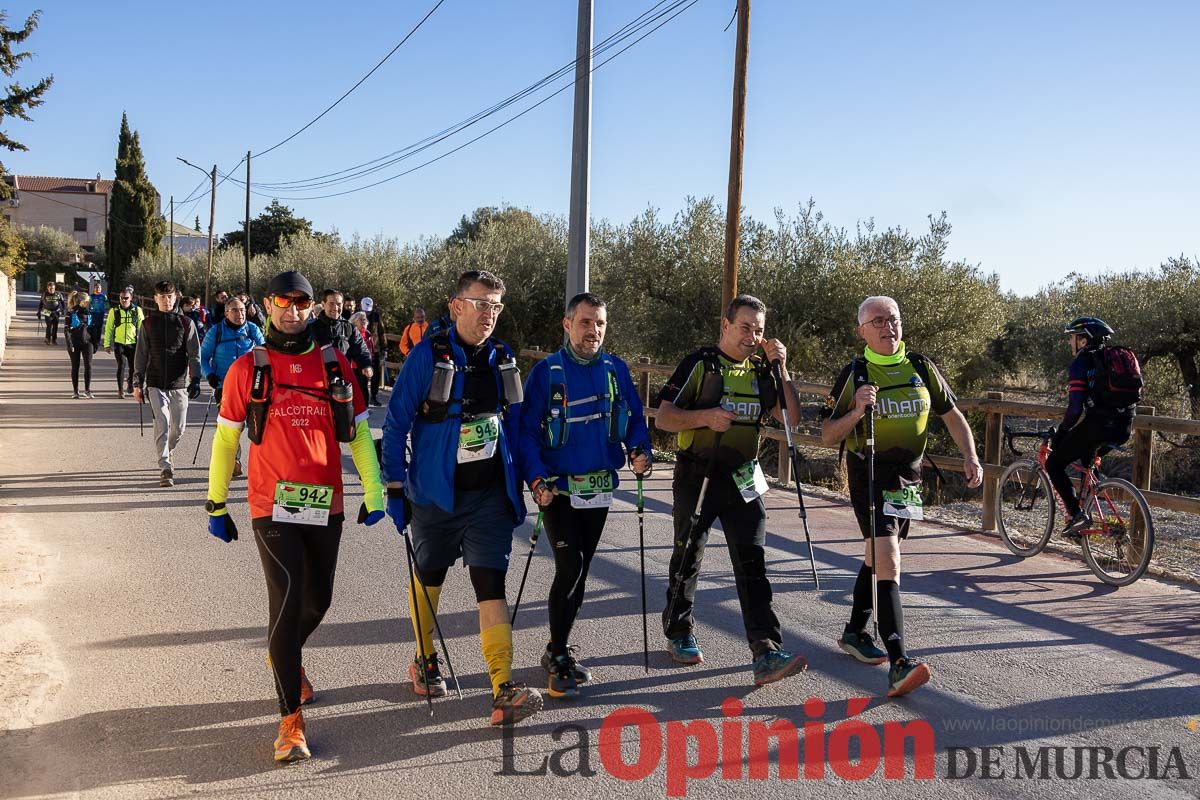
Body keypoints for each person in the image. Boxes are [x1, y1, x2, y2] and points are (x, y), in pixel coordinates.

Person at [205, 269, 386, 764]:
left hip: (325, 502)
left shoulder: (335, 366)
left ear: (312, 308)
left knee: (319, 600)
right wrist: (215, 502)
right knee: (287, 601)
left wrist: (375, 491)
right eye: (283, 302)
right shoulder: (248, 368)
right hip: (271, 505)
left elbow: (361, 435)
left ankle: (284, 655)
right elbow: (226, 441)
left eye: (302, 303)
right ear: (268, 305)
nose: (293, 311)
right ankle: (290, 722)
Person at [382, 269, 541, 725]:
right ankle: (425, 657)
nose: (489, 314)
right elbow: (395, 426)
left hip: (489, 496)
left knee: (491, 584)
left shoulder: (503, 358)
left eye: (496, 305)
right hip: (435, 495)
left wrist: (533, 478)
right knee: (429, 578)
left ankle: (502, 687)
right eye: (480, 303)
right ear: (456, 306)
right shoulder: (427, 357)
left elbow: (518, 427)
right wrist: (395, 488)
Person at [821, 295, 983, 698]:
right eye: (877, 321)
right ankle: (898, 662)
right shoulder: (856, 373)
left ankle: (855, 631)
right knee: (889, 560)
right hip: (869, 470)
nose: (887, 326)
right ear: (861, 330)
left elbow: (951, 415)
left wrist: (971, 455)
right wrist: (857, 411)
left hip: (907, 478)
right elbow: (826, 435)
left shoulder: (921, 366)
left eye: (892, 319)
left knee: (875, 556)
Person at [655, 294, 808, 687]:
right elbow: (665, 418)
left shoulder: (762, 370)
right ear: (725, 325)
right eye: (745, 328)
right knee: (688, 554)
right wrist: (705, 416)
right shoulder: (700, 363)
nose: (752, 337)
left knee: (752, 563)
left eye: (759, 330)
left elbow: (791, 418)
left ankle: (766, 650)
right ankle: (678, 631)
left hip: (744, 478)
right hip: (698, 474)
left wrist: (782, 366)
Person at [517, 292, 652, 699]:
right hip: (557, 490)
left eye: (600, 324)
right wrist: (537, 481)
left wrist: (640, 450)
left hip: (597, 489)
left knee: (581, 569)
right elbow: (526, 434)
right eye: (585, 322)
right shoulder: (547, 372)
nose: (593, 331)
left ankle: (558, 647)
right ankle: (557, 656)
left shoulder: (616, 369)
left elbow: (633, 419)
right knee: (570, 566)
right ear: (567, 324)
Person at [1048, 317, 1138, 539]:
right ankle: (1087, 515)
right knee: (1087, 462)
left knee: (1054, 463)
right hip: (1124, 427)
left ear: (1083, 340)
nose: (1069, 342)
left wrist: (1061, 433)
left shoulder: (1082, 362)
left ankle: (1077, 515)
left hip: (1099, 426)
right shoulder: (1112, 360)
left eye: (1071, 337)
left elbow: (1075, 408)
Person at [133, 281, 201, 488]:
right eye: (162, 297)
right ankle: (165, 468)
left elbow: (194, 354)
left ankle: (168, 450)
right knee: (161, 422)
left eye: (169, 297)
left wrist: (196, 378)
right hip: (155, 382)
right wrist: (137, 382)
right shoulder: (148, 324)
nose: (166, 300)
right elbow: (141, 354)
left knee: (178, 428)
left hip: (179, 383)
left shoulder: (186, 323)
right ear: (155, 299)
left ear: (176, 297)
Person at [201, 297, 265, 477]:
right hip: (225, 387)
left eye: (243, 310)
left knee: (257, 425)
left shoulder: (253, 330)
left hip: (253, 386)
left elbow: (265, 354)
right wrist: (210, 375)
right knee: (232, 427)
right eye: (235, 311)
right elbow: (203, 357)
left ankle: (259, 461)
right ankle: (235, 460)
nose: (240, 314)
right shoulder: (216, 332)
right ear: (226, 313)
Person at [310, 290, 373, 380]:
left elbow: (361, 349)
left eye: (339, 304)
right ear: (323, 305)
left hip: (343, 381)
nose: (335, 308)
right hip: (317, 380)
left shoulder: (349, 328)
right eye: (331, 304)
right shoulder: (312, 328)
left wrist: (366, 365)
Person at [103, 290, 145, 398]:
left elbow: (142, 328)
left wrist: (144, 345)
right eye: (121, 298)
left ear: (131, 298)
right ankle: (120, 390)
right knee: (121, 366)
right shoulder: (114, 310)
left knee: (133, 367)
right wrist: (107, 344)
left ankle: (130, 382)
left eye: (126, 298)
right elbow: (108, 328)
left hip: (133, 343)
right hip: (119, 343)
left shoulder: (137, 310)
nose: (123, 300)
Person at [359, 297, 388, 405]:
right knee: (363, 375)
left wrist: (384, 349)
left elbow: (382, 332)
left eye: (369, 311)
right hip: (362, 349)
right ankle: (363, 397)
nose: (367, 313)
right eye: (365, 311)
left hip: (375, 349)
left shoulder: (376, 316)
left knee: (376, 373)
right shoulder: (359, 316)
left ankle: (374, 396)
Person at [65, 294, 94, 398]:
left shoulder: (89, 313)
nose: (87, 303)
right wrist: (69, 344)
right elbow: (67, 330)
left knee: (88, 366)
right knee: (75, 367)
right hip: (75, 343)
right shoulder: (71, 312)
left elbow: (92, 329)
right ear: (80, 301)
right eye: (85, 301)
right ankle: (75, 392)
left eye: (88, 302)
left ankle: (87, 390)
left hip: (87, 342)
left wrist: (94, 343)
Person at [349, 310, 375, 407]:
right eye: (361, 320)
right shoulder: (351, 333)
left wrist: (370, 364)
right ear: (355, 322)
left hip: (364, 365)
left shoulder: (368, 334)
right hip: (353, 366)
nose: (364, 322)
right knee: (354, 387)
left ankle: (365, 408)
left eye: (365, 320)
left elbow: (371, 350)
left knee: (364, 387)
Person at [37, 280, 65, 345]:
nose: (52, 289)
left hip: (56, 311)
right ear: (48, 288)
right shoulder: (44, 294)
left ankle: (54, 340)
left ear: (55, 288)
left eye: (53, 288)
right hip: (47, 311)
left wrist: (63, 309)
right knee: (49, 326)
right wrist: (39, 311)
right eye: (50, 288)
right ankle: (48, 339)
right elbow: (41, 303)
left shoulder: (58, 294)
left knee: (55, 326)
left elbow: (62, 303)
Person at [87, 280, 109, 352]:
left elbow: (107, 304)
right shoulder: (91, 296)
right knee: (92, 328)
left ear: (101, 289)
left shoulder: (103, 296)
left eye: (99, 288)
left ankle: (98, 342)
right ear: (94, 289)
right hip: (92, 314)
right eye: (96, 288)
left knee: (99, 328)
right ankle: (91, 341)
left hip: (100, 314)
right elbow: (87, 305)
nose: (98, 289)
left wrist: (107, 310)